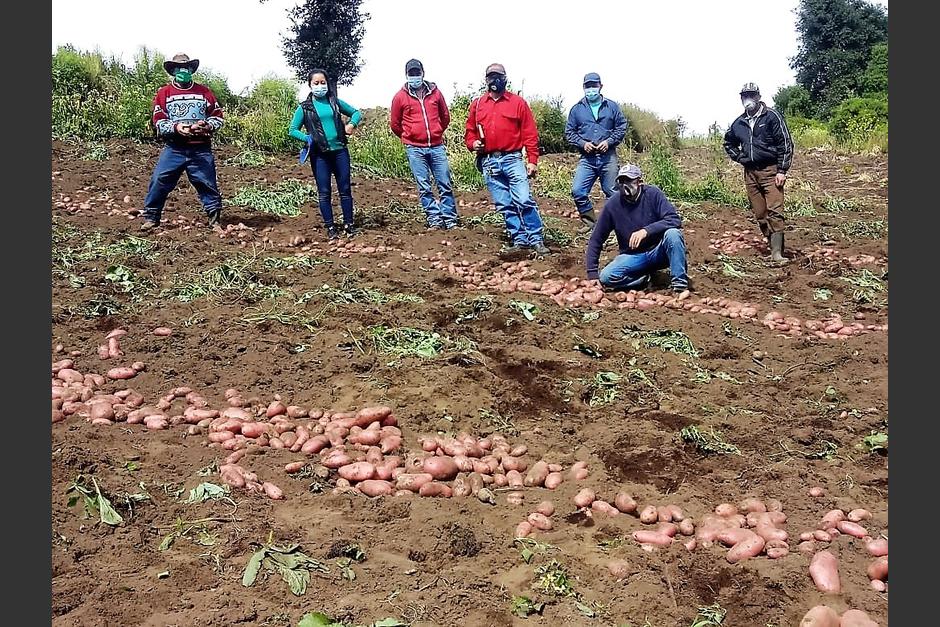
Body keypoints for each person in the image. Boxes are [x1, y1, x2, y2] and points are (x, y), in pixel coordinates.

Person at [465, 63, 549, 255]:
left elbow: (530, 133)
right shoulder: (478, 104)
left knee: (524, 199)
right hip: (489, 161)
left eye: (498, 76)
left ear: (505, 78)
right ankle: (519, 239)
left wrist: (532, 160)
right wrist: (473, 144)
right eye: (491, 77)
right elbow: (469, 133)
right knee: (504, 204)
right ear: (486, 80)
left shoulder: (517, 103)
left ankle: (536, 239)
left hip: (512, 158)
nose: (494, 80)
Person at [141, 53, 225, 231]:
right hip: (175, 147)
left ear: (191, 70)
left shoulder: (204, 92)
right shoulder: (164, 93)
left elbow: (217, 117)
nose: (183, 71)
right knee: (159, 179)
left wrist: (207, 126)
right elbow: (159, 120)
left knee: (207, 182)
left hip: (200, 147)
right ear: (173, 71)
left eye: (186, 68)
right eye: (179, 68)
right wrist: (177, 128)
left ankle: (214, 219)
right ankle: (151, 217)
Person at [585, 164, 690, 295]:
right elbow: (596, 239)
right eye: (621, 181)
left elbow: (674, 220)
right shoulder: (613, 204)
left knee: (673, 234)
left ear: (640, 182)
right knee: (606, 277)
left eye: (629, 180)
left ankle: (679, 285)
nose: (625, 185)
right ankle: (644, 279)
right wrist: (592, 274)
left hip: (658, 251)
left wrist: (646, 231)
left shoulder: (653, 194)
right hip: (633, 256)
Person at [723, 82, 794, 263]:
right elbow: (728, 143)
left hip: (771, 171)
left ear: (758, 97)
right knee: (760, 213)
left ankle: (777, 253)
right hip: (750, 173)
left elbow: (785, 144)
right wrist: (740, 158)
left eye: (751, 95)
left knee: (775, 211)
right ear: (741, 99)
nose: (748, 99)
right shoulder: (739, 123)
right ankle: (771, 246)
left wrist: (782, 170)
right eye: (745, 96)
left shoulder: (772, 117)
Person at [289, 68, 363, 240]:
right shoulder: (304, 108)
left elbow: (356, 113)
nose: (320, 86)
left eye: (323, 83)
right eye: (316, 83)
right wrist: (307, 138)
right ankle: (330, 227)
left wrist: (351, 125)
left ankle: (349, 224)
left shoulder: (334, 102)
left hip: (340, 151)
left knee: (345, 189)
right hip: (319, 155)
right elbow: (292, 130)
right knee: (324, 191)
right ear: (310, 85)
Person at [390, 59, 458, 230]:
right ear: (406, 75)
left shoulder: (435, 93)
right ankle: (434, 219)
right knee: (424, 186)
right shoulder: (400, 97)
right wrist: (409, 136)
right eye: (411, 74)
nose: (414, 76)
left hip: (436, 146)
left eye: (417, 73)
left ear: (423, 73)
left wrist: (436, 132)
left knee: (444, 183)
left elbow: (445, 116)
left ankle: (450, 219)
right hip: (414, 148)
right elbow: (395, 124)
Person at [564, 72, 628, 233]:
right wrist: (582, 143)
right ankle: (590, 223)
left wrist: (609, 141)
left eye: (594, 86)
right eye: (588, 86)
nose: (591, 89)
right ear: (583, 88)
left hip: (608, 157)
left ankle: (616, 225)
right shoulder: (577, 109)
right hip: (587, 159)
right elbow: (569, 132)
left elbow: (621, 127)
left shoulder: (612, 107)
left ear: (600, 86)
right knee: (578, 191)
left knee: (612, 192)